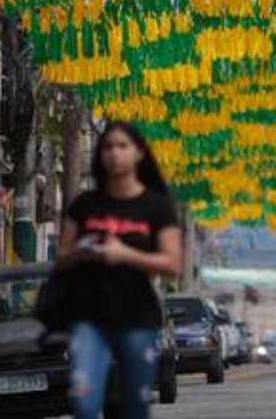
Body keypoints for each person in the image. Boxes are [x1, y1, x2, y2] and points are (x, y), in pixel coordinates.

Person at [56, 122, 182, 419]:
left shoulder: (157, 207)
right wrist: (82, 251)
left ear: (138, 153)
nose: (114, 154)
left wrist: (125, 254)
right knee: (84, 404)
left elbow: (172, 263)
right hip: (89, 317)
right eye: (108, 147)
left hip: (137, 317)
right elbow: (61, 257)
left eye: (122, 146)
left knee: (134, 406)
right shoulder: (85, 205)